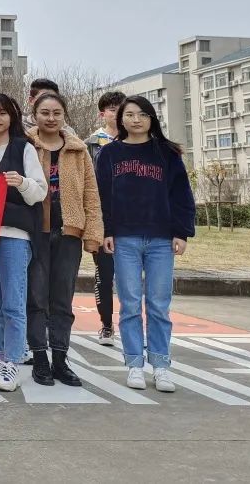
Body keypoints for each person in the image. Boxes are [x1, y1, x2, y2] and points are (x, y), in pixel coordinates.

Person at [97, 95, 195, 393]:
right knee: (129, 304)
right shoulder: (109, 153)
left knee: (158, 305)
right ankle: (134, 365)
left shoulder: (167, 153)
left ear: (152, 118)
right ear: (120, 119)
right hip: (124, 238)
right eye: (129, 114)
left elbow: (181, 195)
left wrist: (181, 232)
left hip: (161, 239)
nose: (136, 119)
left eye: (142, 114)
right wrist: (106, 231)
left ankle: (161, 365)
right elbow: (102, 196)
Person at [24, 91, 103, 388]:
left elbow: (90, 194)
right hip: (36, 232)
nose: (51, 118)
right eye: (45, 112)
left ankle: (60, 357)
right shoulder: (26, 146)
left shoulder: (78, 150)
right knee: (36, 297)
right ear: (35, 115)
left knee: (62, 299)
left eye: (57, 113)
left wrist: (93, 234)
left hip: (69, 232)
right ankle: (39, 358)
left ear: (64, 115)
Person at [0, 94, 47, 392]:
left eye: (2, 113)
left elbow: (39, 192)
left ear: (12, 116)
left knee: (13, 302)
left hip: (15, 233)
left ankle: (12, 362)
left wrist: (22, 183)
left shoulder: (23, 148)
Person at [86, 90, 125, 345]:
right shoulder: (91, 143)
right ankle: (107, 325)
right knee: (104, 273)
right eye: (112, 109)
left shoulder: (138, 140)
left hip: (131, 219)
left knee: (131, 277)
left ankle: (132, 326)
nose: (117, 113)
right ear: (102, 114)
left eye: (121, 108)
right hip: (101, 218)